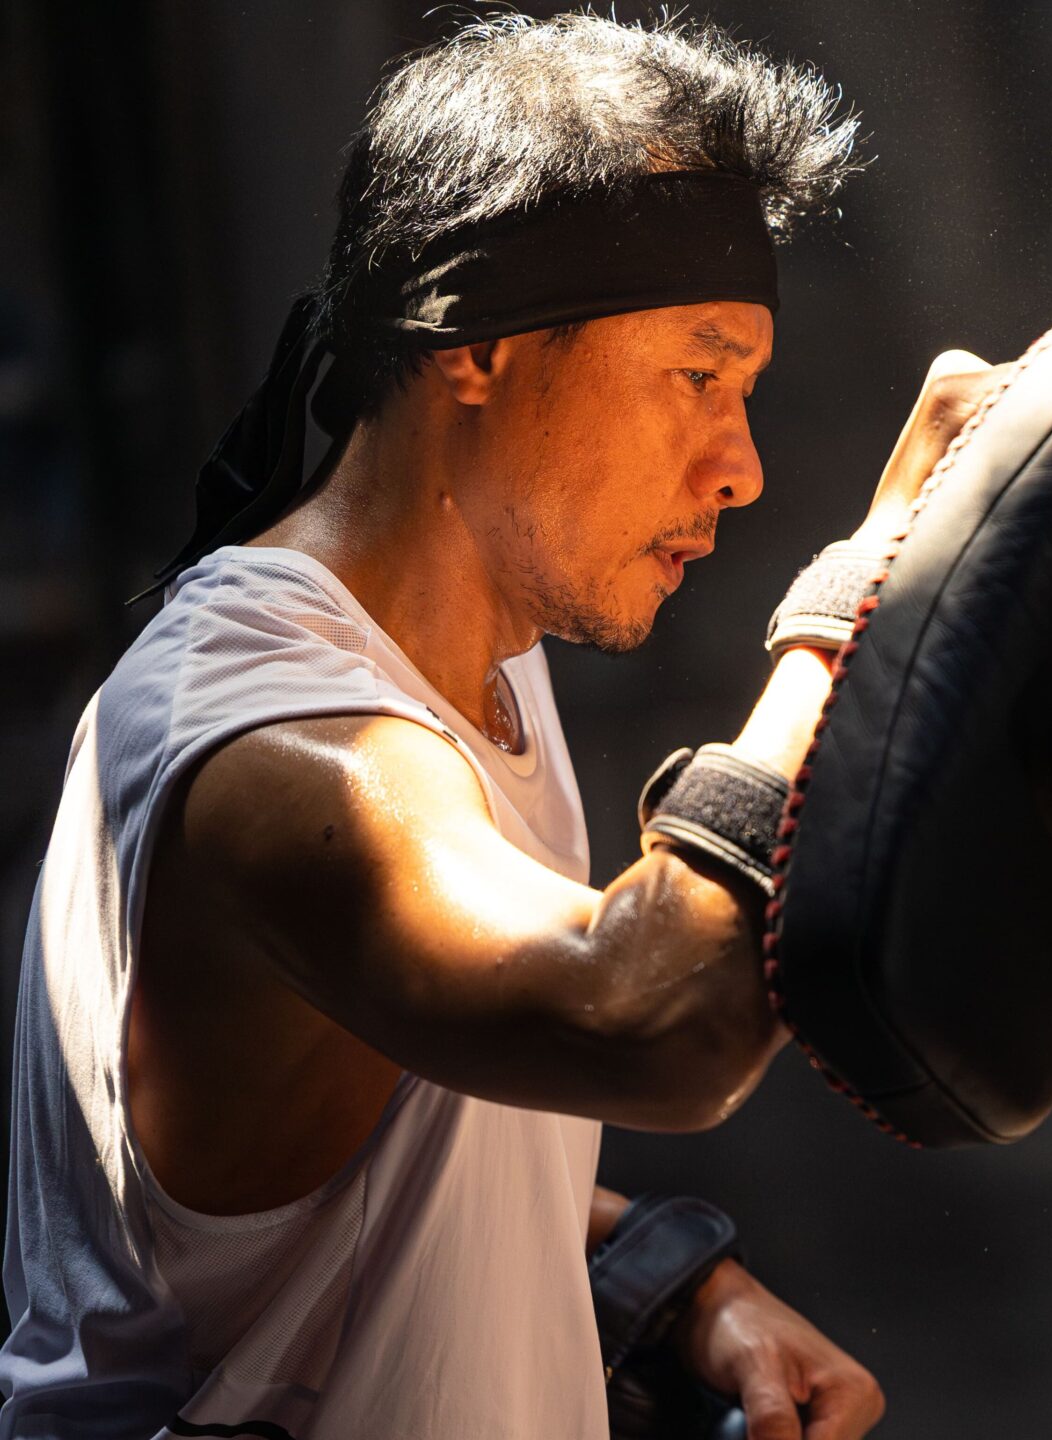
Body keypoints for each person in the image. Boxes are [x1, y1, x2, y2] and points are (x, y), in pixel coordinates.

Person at [3, 14, 996, 1437]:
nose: (744, 467)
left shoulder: (468, 659)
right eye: (696, 378)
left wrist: (676, 1287)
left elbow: (382, 1119)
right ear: (478, 349)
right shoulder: (286, 752)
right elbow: (656, 1021)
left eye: (750, 392)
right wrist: (868, 586)